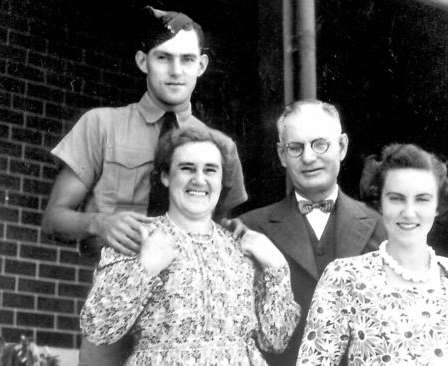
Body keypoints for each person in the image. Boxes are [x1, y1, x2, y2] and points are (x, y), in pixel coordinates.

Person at [41, 7, 247, 366]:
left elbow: (221, 234)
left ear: (201, 65)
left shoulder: (220, 148)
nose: (176, 70)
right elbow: (53, 219)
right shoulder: (101, 126)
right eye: (163, 57)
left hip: (189, 319)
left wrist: (236, 232)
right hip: (114, 302)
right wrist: (98, 223)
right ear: (142, 61)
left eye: (187, 59)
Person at [80, 125, 300, 365]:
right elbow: (97, 328)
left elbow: (276, 340)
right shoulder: (136, 239)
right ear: (165, 176)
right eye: (187, 168)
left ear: (221, 179)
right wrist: (144, 269)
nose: (199, 179)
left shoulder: (242, 248)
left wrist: (278, 267)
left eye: (210, 170)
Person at [296, 143, 448, 365]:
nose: (409, 212)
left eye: (422, 199)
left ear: (437, 205)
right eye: (396, 198)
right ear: (380, 202)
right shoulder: (344, 278)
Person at [240, 99, 386, 366]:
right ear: (282, 155)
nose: (308, 157)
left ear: (342, 147)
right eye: (295, 147)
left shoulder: (382, 227)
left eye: (320, 144)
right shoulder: (250, 228)